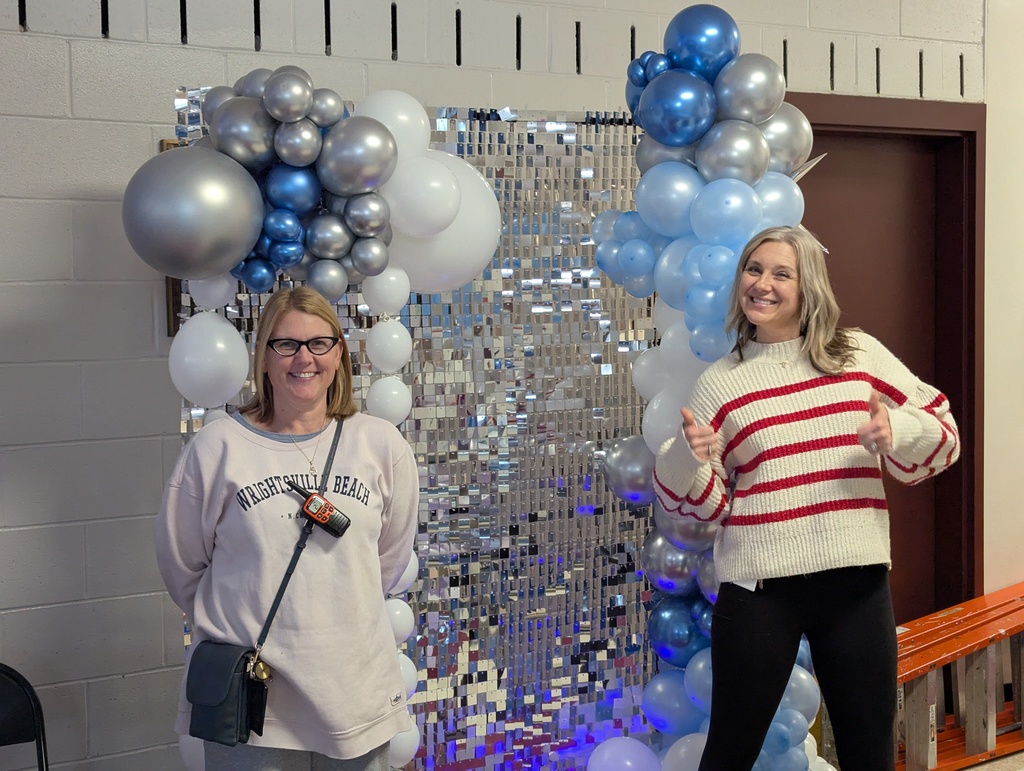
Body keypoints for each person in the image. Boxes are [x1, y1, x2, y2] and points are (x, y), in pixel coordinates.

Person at [653, 226, 959, 770]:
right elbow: (703, 507)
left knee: (870, 756)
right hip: (760, 591)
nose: (762, 284)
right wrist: (687, 456)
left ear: (808, 287)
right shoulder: (722, 383)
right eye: (753, 269)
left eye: (780, 273)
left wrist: (898, 432)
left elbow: (943, 433)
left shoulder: (857, 353)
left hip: (856, 585)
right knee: (729, 753)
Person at [155, 286, 419, 771]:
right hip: (254, 707)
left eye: (319, 343)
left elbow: (386, 562)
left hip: (354, 697)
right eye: (286, 344)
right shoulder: (219, 448)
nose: (304, 358)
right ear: (264, 356)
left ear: (339, 353)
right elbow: (182, 566)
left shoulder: (381, 445)